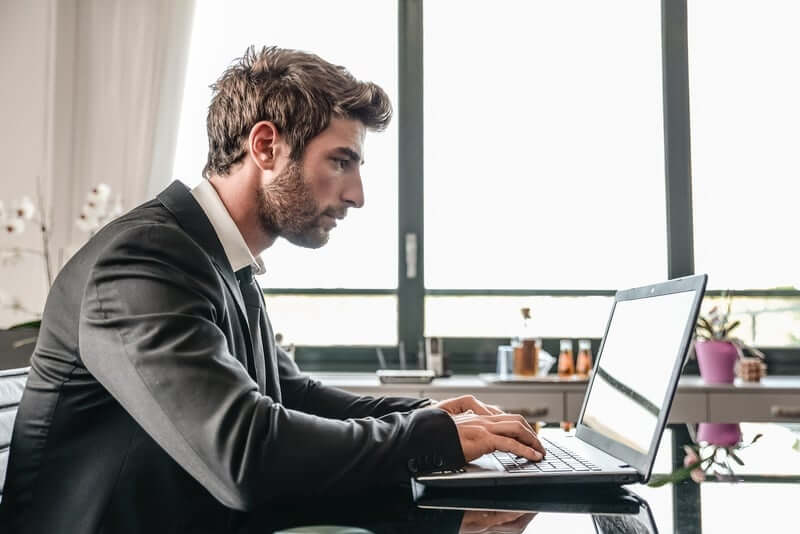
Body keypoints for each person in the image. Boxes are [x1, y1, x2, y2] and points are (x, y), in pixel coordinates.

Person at [0, 46, 544, 532]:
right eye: (341, 161)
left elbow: (292, 398)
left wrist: (436, 417)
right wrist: (429, 440)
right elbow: (246, 456)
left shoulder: (217, 257)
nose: (357, 195)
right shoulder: (143, 261)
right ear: (266, 146)